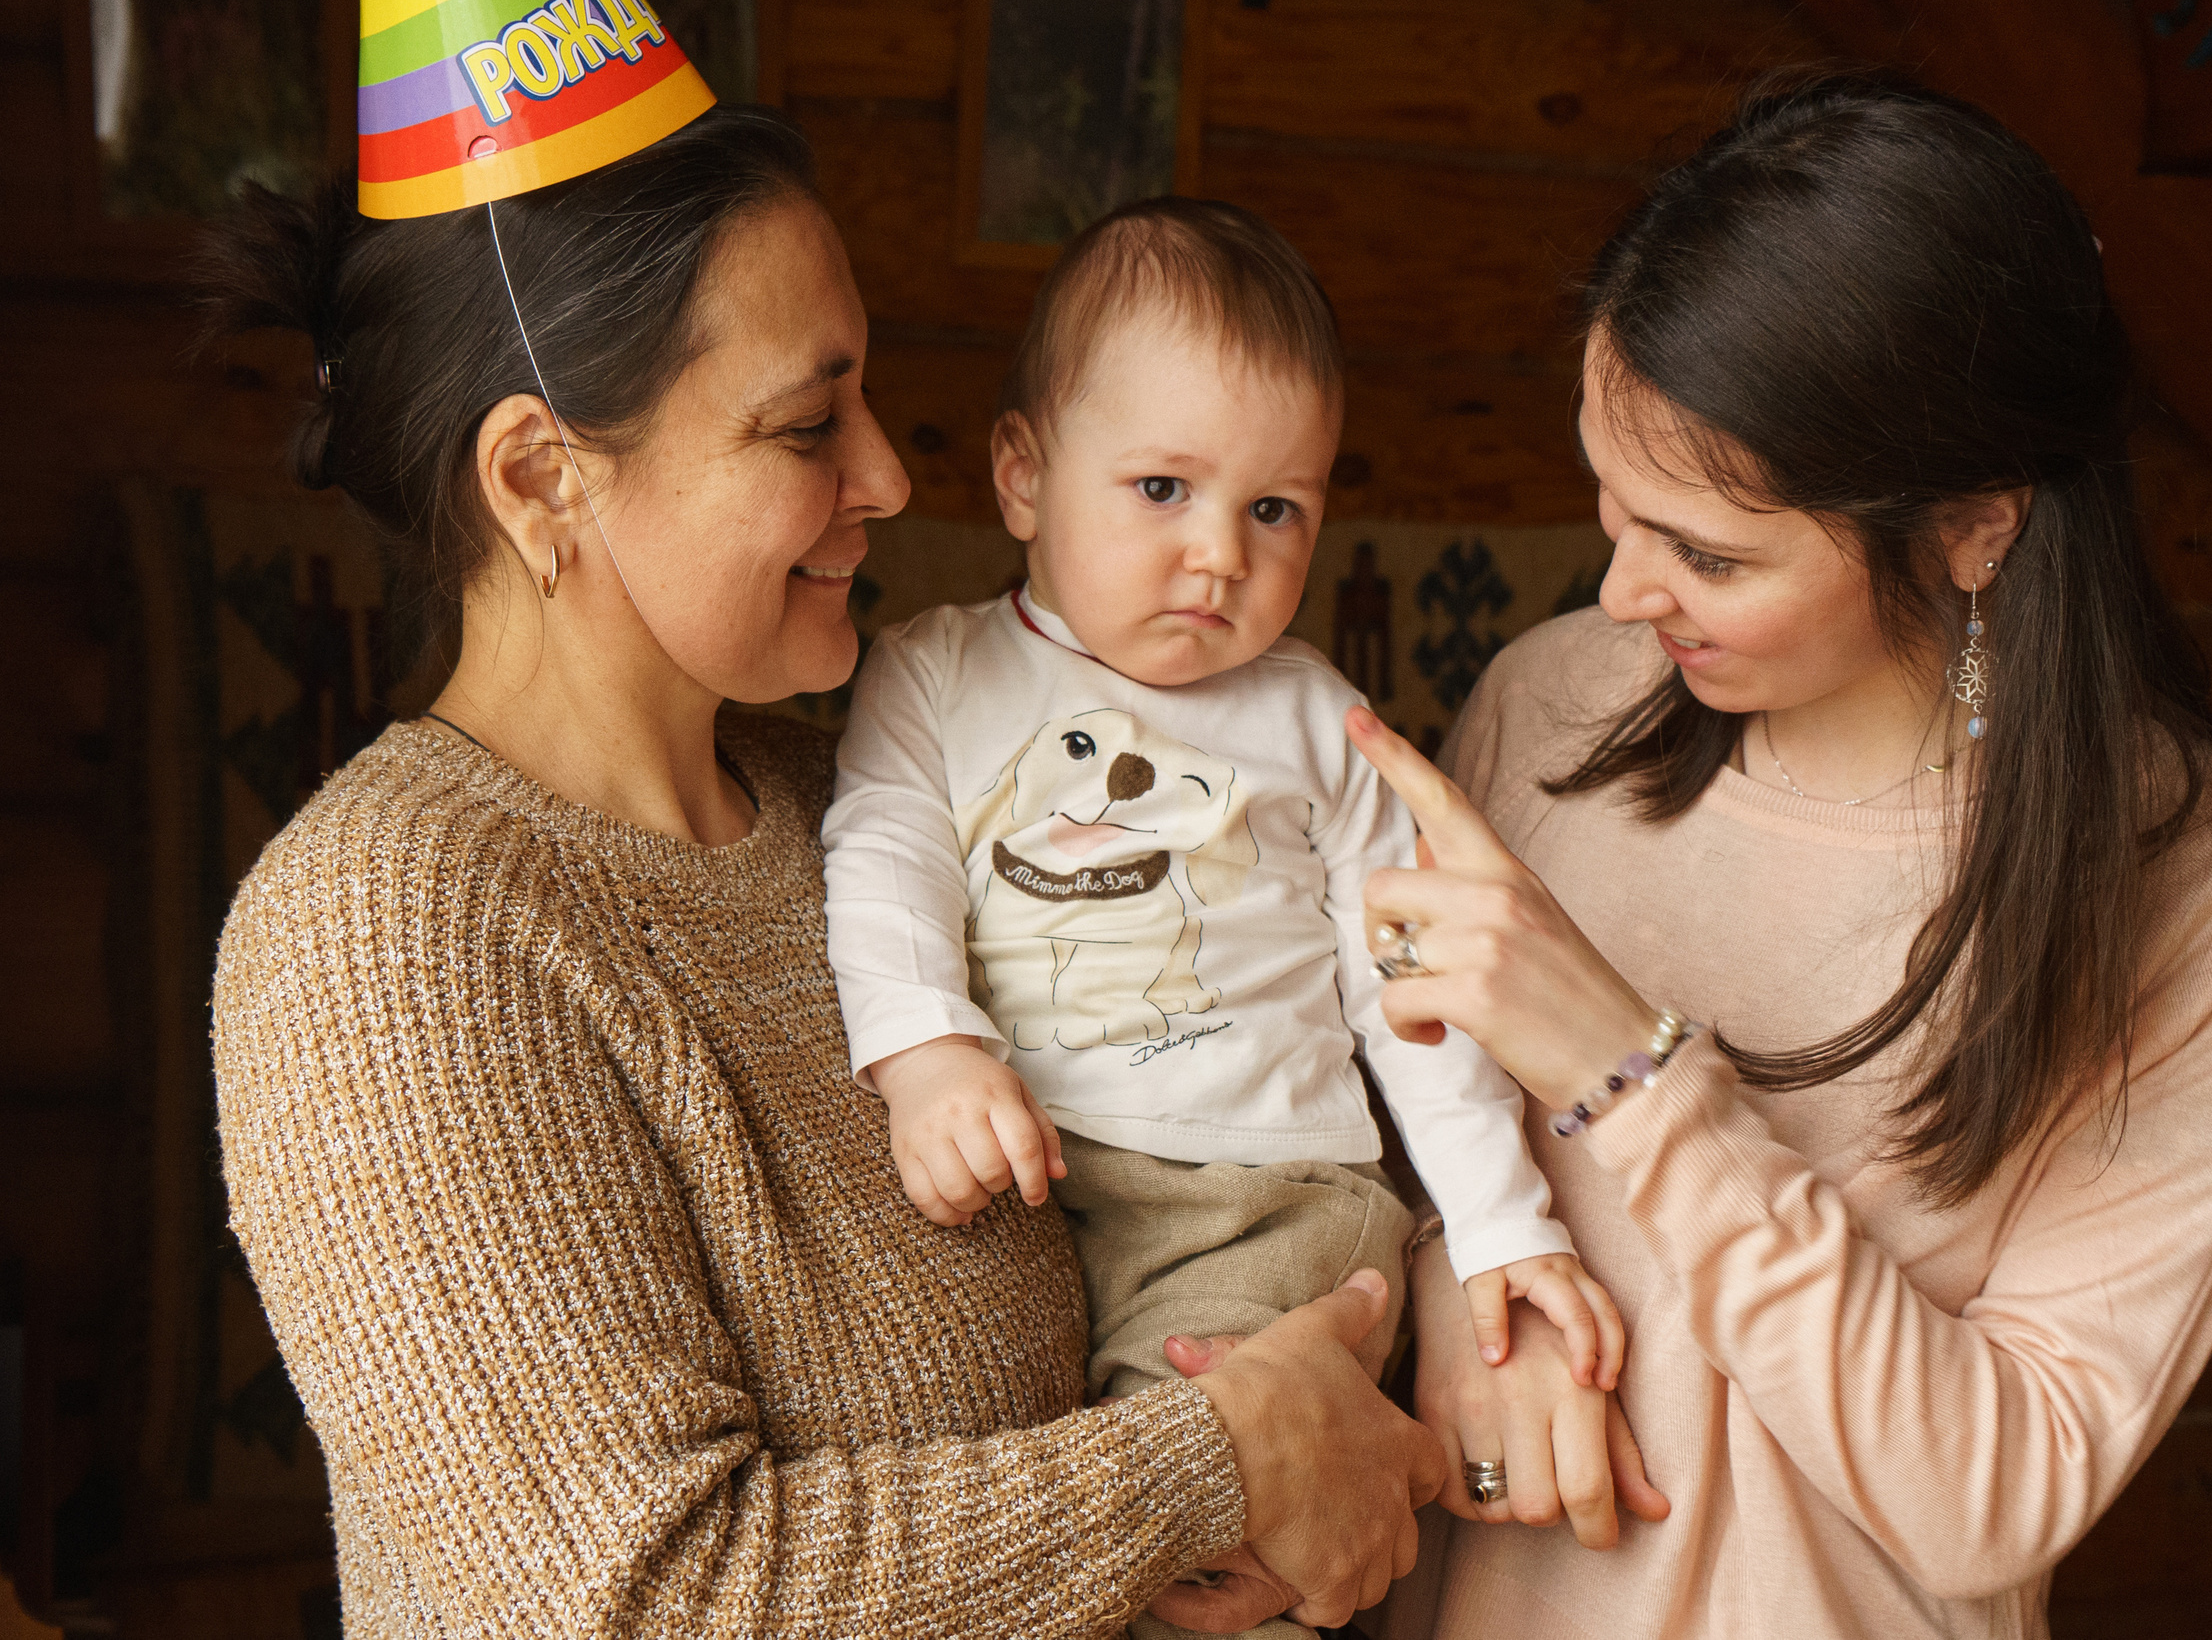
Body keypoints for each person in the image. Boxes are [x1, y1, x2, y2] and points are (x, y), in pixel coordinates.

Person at [204, 105, 1441, 1639]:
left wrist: (1443, 1307)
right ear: (541, 479)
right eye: (807, 425)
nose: (887, 476)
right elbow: (635, 1597)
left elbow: (1228, 1101)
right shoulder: (388, 934)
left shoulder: (846, 799)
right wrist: (1225, 1462)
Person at [1332, 73, 2212, 1639]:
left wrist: (1629, 1075)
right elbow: (1373, 1143)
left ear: (1975, 527)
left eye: (1708, 553)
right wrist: (1461, 1287)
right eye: (1610, 509)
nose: (1621, 594)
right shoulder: (1547, 703)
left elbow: (1993, 1493)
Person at [823, 197, 1625, 1638]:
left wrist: (1502, 1223)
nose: (1218, 555)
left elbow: (1413, 991)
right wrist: (927, 1052)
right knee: (1044, 1502)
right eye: (1160, 491)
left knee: (1220, 1528)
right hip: (1040, 1195)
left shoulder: (1320, 723)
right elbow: (885, 864)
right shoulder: (932, 678)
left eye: (1274, 510)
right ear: (1023, 473)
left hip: (1270, 1199)